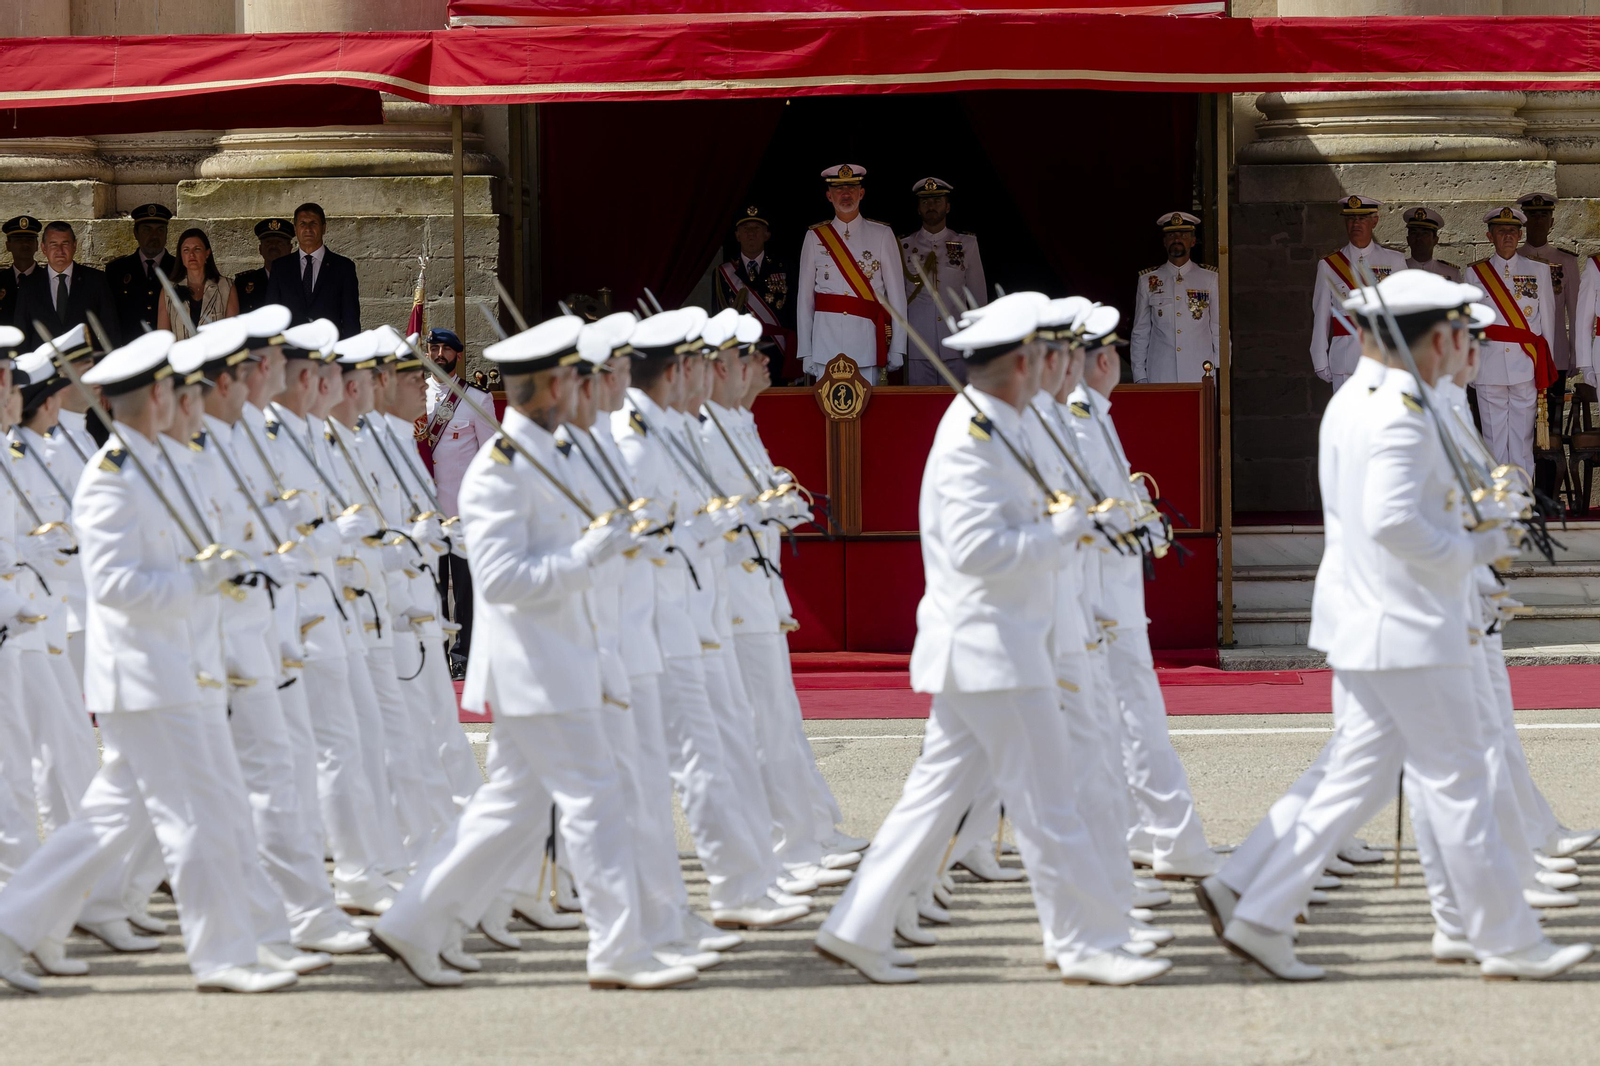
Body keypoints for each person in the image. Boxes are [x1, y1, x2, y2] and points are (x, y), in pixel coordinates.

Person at [1198, 269, 1592, 982]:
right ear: (1432, 338)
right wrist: (1479, 546)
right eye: (1453, 334)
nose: (1459, 346)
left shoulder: (1365, 397)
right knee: (1459, 776)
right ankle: (1504, 936)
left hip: (1380, 617)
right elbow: (1390, 521)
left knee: (1359, 774)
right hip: (1406, 619)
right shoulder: (1398, 408)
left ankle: (1254, 899)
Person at [816, 294, 1165, 987]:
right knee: (1047, 802)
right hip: (992, 647)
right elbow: (978, 550)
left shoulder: (1005, 423)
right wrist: (1061, 531)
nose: (1050, 364)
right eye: (1039, 353)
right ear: (1016, 363)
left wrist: (1080, 528)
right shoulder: (973, 436)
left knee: (934, 801)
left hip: (1003, 643)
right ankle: (1083, 941)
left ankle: (855, 926)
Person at [370, 314, 698, 992]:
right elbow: (505, 580)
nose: (585, 388)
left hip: (565, 656)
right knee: (595, 798)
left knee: (512, 811)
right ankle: (618, 948)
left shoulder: (556, 454)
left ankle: (413, 920)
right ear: (549, 387)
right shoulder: (500, 471)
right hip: (535, 665)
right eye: (574, 377)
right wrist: (590, 552)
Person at [0, 329, 301, 995]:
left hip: (181, 667)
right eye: (174, 389)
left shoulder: (162, 466)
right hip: (144, 675)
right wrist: (199, 579)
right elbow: (116, 586)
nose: (183, 401)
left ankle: (11, 927)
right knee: (199, 814)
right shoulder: (112, 479)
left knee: (112, 820)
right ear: (153, 396)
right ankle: (223, 956)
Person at [1468, 206, 1557, 479]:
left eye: (1512, 231)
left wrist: (1544, 362)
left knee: (1522, 437)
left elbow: (1548, 320)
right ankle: (1498, 500)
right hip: (1489, 366)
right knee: (1493, 438)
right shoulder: (1475, 273)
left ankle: (1521, 498)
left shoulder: (1539, 271)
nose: (1507, 236)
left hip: (1525, 364)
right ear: (1489, 236)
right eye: (1501, 231)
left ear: (1520, 235)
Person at [796, 164, 906, 385]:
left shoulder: (882, 234)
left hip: (866, 342)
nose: (845, 194)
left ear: (861, 193)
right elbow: (805, 299)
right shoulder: (815, 236)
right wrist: (805, 350)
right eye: (838, 189)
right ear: (829, 196)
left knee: (867, 413)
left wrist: (898, 348)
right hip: (824, 343)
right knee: (826, 413)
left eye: (851, 188)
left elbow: (897, 297)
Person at [420, 327, 488, 678]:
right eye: (433, 348)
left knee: (463, 589)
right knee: (431, 587)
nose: (439, 355)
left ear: (458, 355)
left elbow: (491, 458)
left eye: (446, 350)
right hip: (427, 512)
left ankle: (462, 653)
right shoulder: (417, 398)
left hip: (462, 512)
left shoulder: (476, 398)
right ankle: (435, 651)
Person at [1309, 195, 1406, 391]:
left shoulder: (1394, 261)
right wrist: (1319, 357)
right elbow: (1321, 315)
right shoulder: (1329, 265)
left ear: (1375, 221)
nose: (1356, 224)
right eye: (1351, 219)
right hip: (1344, 359)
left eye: (1362, 218)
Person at [1517, 192, 1578, 490]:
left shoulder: (1566, 261)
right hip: (1520, 356)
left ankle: (1546, 492)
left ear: (1552, 222)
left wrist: (1579, 356)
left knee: (1549, 425)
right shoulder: (1512, 261)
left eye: (1544, 216)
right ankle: (1521, 489)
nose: (1538, 220)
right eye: (1533, 215)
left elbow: (1575, 311)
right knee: (1520, 422)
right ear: (1524, 221)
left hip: (1556, 356)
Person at [900, 177, 986, 384]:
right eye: (926, 202)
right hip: (918, 342)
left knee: (956, 405)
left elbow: (977, 296)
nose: (931, 206)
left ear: (948, 207)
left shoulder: (966, 244)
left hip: (956, 342)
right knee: (919, 407)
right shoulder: (903, 246)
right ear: (918, 209)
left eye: (937, 201)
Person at [1130, 211, 1220, 384]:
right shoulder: (1148, 280)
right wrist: (1140, 376)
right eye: (1171, 235)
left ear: (1193, 241)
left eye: (1183, 235)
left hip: (1201, 373)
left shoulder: (1210, 279)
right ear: (1164, 242)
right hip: (1161, 373)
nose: (1177, 239)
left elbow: (1218, 329)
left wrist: (1219, 372)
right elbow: (1140, 332)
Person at [715, 206, 796, 378]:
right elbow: (718, 318)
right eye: (746, 229)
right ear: (737, 235)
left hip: (777, 351)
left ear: (766, 235)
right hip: (740, 352)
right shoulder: (722, 273)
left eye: (756, 229)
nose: (751, 233)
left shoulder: (785, 268)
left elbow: (793, 312)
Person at [12, 221, 121, 346]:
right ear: (43, 248)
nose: (60, 250)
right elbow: (21, 333)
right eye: (53, 244)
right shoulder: (29, 285)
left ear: (74, 246)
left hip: (85, 362)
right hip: (44, 363)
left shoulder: (95, 280)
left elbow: (111, 329)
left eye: (65, 243)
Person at [263, 202, 361, 338]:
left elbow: (351, 318)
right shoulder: (281, 267)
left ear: (324, 228)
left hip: (329, 349)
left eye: (313, 223)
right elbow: (272, 314)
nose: (308, 229)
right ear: (296, 229)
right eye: (302, 223)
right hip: (291, 350)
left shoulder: (343, 267)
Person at [105, 204, 175, 346]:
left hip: (169, 350)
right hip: (130, 351)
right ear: (135, 233)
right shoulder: (117, 270)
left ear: (167, 234)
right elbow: (110, 319)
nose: (154, 236)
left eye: (160, 230)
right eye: (147, 230)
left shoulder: (179, 268)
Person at [155, 228, 239, 339]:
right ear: (181, 255)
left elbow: (232, 335)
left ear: (207, 253)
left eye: (197, 249)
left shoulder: (226, 287)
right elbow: (162, 337)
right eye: (186, 250)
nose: (191, 254)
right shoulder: (168, 290)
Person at [234, 218, 294, 315]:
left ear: (290, 248)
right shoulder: (243, 282)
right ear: (260, 249)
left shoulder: (300, 279)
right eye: (268, 242)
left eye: (279, 242)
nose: (273, 246)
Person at [1, 215, 41, 326]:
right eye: (18, 240)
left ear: (37, 245)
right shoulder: (1, 280)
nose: (25, 244)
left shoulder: (48, 279)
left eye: (29, 240)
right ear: (8, 245)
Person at [1401, 207, 1460, 281]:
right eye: (1414, 233)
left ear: (1435, 240)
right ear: (1408, 239)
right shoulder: (1397, 270)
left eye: (1425, 234)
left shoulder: (1451, 273)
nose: (1419, 237)